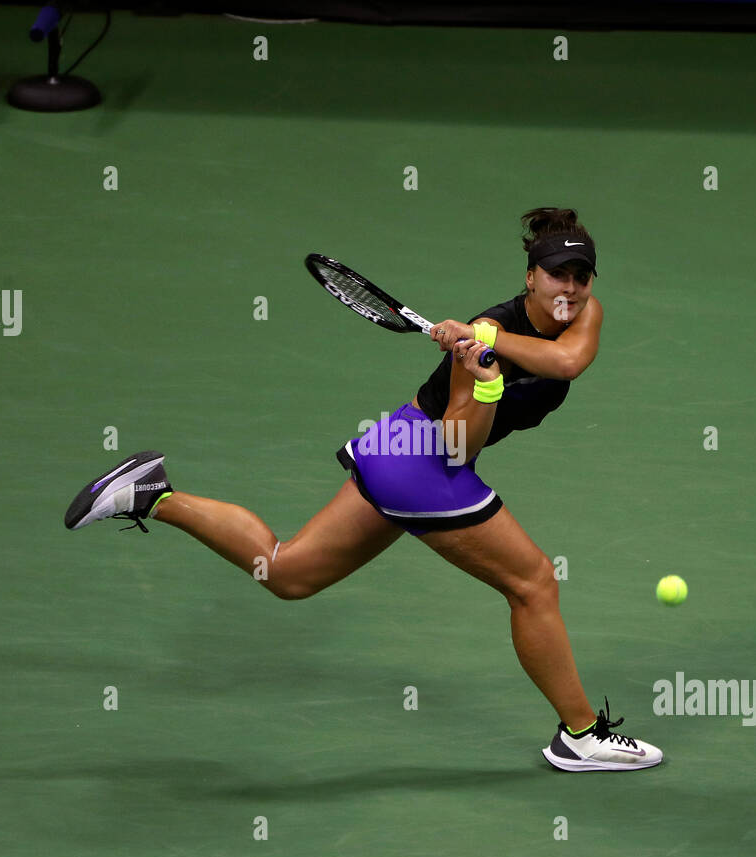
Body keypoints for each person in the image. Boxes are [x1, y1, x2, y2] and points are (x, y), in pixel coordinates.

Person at [65, 207, 662, 772]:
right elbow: (457, 448)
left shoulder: (579, 315)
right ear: (530, 276)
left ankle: (152, 494)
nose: (572, 288)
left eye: (582, 276)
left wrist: (489, 345)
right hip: (424, 462)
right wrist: (483, 386)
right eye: (558, 274)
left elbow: (569, 363)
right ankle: (580, 736)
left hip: (394, 449)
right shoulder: (487, 339)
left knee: (288, 573)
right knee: (533, 583)